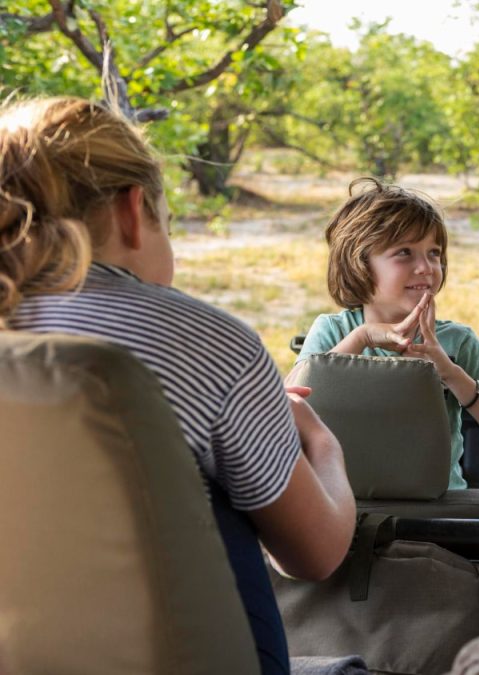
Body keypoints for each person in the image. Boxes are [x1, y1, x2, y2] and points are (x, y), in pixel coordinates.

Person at [0, 96, 357, 675]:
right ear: (131, 210)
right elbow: (314, 555)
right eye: (167, 225)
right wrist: (320, 443)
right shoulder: (209, 342)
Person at [293, 178, 479, 490]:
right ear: (359, 263)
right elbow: (288, 408)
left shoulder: (457, 341)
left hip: (439, 504)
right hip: (347, 501)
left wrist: (449, 371)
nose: (426, 267)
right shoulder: (335, 331)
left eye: (434, 253)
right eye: (405, 252)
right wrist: (362, 338)